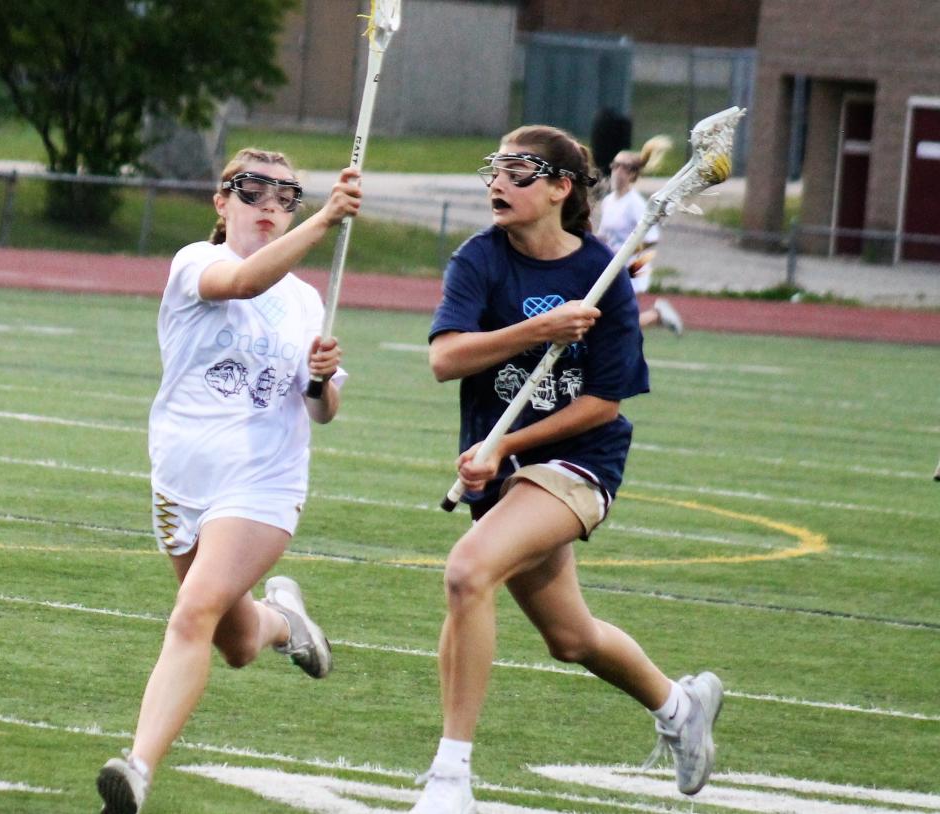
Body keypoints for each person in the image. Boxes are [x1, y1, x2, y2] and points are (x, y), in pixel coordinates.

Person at [412, 126, 722, 814]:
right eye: (494, 169)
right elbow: (446, 359)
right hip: (503, 467)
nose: (498, 183)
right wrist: (538, 333)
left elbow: (603, 403)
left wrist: (511, 445)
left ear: (559, 188)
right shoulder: (478, 260)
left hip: (576, 462)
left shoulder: (603, 275)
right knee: (570, 637)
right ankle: (679, 706)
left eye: (519, 172)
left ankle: (450, 779)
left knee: (468, 573)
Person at [96, 148, 362, 814]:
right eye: (253, 191)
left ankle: (137, 768)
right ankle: (282, 621)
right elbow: (242, 284)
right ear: (222, 202)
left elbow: (322, 411)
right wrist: (326, 218)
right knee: (238, 641)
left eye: (286, 195)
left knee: (192, 614)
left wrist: (324, 380)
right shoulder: (197, 263)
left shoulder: (307, 302)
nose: (270, 204)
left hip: (263, 484)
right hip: (182, 483)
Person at [597, 135, 684, 336]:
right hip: (612, 266)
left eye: (624, 167)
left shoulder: (636, 204)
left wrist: (626, 257)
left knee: (619, 323)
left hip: (635, 266)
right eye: (615, 165)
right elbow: (604, 235)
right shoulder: (609, 201)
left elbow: (652, 238)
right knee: (613, 320)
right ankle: (657, 315)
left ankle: (657, 315)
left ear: (633, 174)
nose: (617, 171)